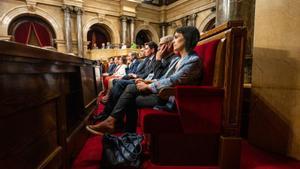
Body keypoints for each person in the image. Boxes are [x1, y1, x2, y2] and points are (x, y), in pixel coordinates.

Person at [86, 26, 202, 134]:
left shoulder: (192, 60)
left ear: (187, 39)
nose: (173, 42)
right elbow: (164, 78)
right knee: (129, 89)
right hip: (163, 92)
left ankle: (119, 126)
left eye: (176, 38)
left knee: (129, 93)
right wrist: (147, 82)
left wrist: (148, 86)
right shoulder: (180, 59)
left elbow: (173, 81)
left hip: (172, 98)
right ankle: (120, 127)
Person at [93, 36, 176, 122]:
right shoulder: (158, 59)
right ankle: (111, 117)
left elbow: (158, 77)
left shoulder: (165, 59)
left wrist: (146, 80)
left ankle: (113, 120)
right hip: (151, 83)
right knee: (119, 83)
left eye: (161, 45)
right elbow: (156, 76)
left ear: (169, 45)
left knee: (122, 86)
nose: (159, 48)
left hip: (159, 91)